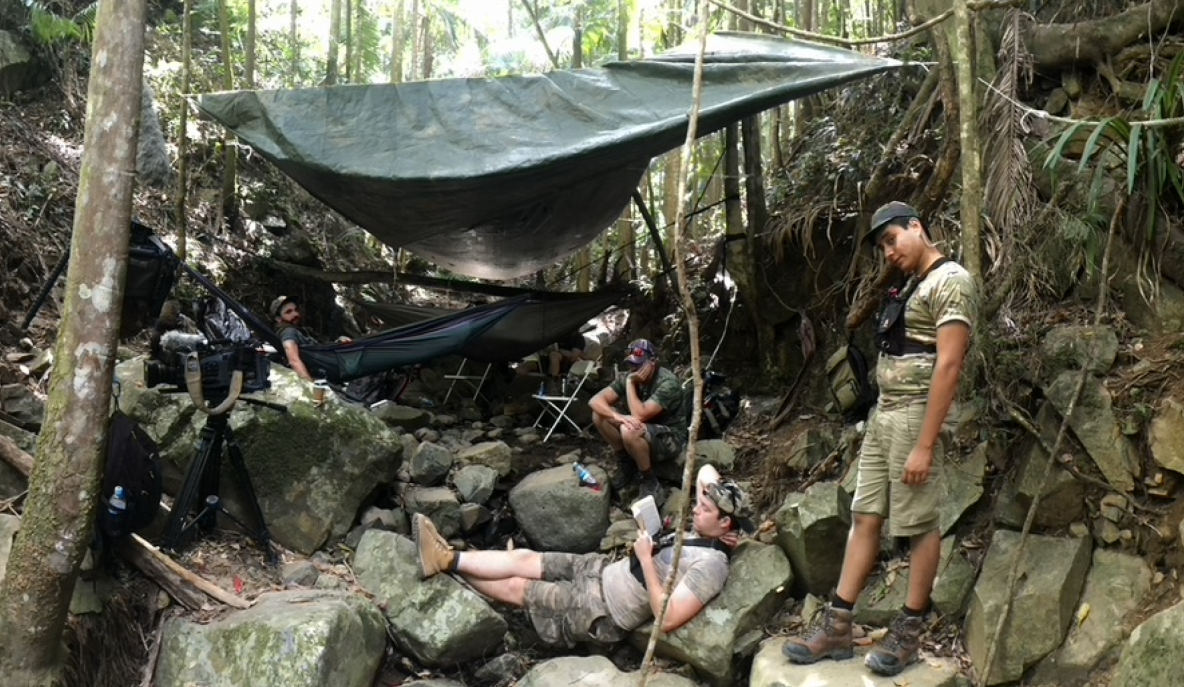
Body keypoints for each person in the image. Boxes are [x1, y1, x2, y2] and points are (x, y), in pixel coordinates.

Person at [782, 202, 975, 677]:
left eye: (892, 239)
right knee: (865, 515)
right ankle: (838, 626)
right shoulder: (911, 284)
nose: (889, 252)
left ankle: (908, 631)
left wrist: (925, 445)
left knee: (919, 525)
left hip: (915, 416)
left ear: (917, 227)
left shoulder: (951, 280)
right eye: (882, 247)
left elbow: (950, 364)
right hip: (885, 414)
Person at [413, 465, 750, 647]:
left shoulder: (711, 566)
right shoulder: (713, 526)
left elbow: (669, 618)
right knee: (525, 559)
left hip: (600, 607)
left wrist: (647, 559)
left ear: (724, 523)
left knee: (520, 588)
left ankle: (445, 563)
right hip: (601, 569)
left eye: (704, 509)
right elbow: (705, 471)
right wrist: (729, 503)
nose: (695, 509)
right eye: (699, 503)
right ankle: (450, 557)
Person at [588, 339, 689, 501]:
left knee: (629, 430)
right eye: (631, 365)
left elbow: (639, 415)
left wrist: (630, 382)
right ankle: (627, 462)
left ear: (652, 362)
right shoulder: (631, 375)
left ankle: (649, 479)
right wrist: (617, 416)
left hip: (670, 437)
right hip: (645, 429)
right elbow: (595, 401)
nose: (634, 369)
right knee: (600, 415)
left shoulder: (668, 383)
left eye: (638, 365)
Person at [271, 295, 350, 382]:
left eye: (296, 310)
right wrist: (310, 384)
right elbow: (293, 360)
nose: (295, 314)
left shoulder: (300, 330)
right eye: (288, 312)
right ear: (278, 319)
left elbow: (319, 348)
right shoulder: (288, 332)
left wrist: (337, 342)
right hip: (329, 371)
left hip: (333, 364)